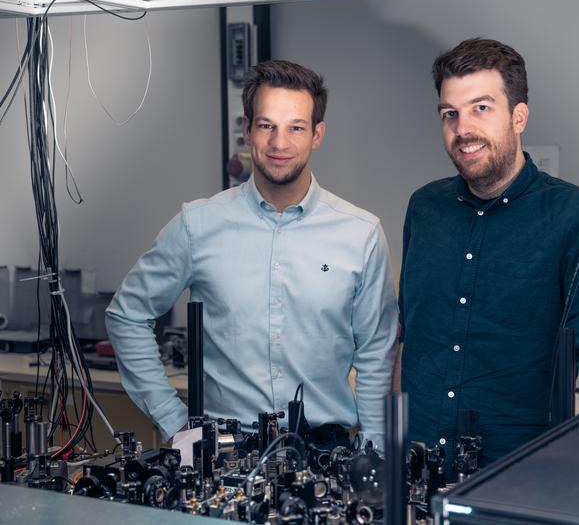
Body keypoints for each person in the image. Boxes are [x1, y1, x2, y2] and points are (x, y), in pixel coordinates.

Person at [106, 60, 398, 450]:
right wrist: (174, 423)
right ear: (247, 131)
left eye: (296, 127)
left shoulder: (361, 234)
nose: (280, 143)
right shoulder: (198, 224)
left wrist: (375, 455)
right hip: (223, 453)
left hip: (326, 455)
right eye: (266, 126)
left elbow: (377, 354)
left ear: (317, 134)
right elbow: (127, 314)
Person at [396, 38, 579, 468]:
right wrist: (392, 444)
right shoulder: (423, 208)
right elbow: (408, 335)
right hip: (417, 467)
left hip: (518, 473)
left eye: (481, 108)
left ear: (518, 116)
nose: (463, 128)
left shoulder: (577, 216)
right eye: (450, 113)